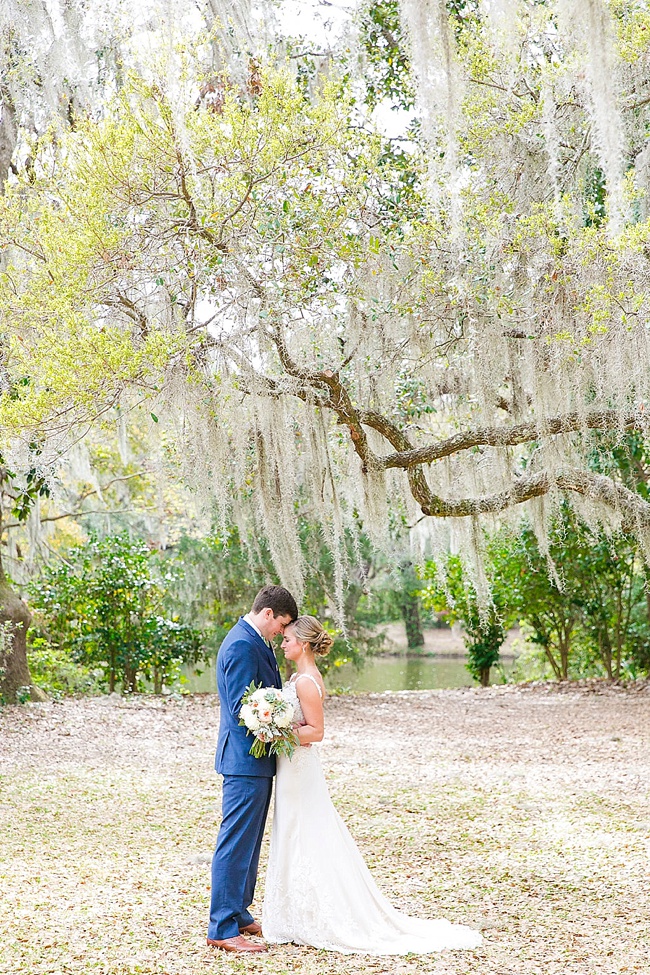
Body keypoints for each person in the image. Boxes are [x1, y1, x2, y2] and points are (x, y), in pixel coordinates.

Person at [262, 615, 483, 955]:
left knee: (303, 831)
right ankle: (296, 914)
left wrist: (278, 733)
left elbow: (317, 732)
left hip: (299, 767)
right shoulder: (298, 677)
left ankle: (314, 916)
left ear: (303, 644)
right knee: (293, 831)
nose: (283, 643)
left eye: (288, 639)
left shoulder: (306, 681)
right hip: (292, 767)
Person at [207, 584, 298, 955]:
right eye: (283, 624)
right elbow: (244, 709)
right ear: (267, 614)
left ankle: (240, 913)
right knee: (235, 841)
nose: (283, 631)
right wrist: (280, 726)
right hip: (245, 760)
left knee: (250, 840)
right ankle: (222, 927)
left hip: (257, 760)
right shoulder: (243, 644)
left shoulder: (253, 639)